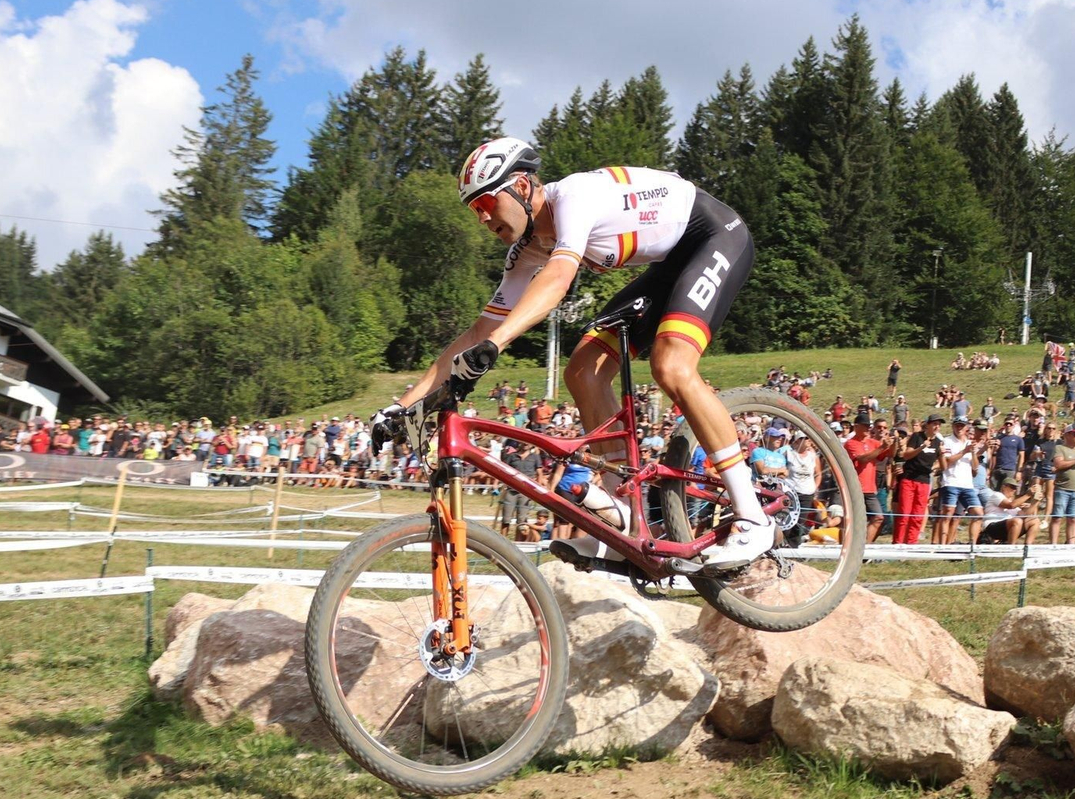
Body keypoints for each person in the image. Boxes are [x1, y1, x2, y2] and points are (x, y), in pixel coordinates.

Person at [381, 137, 768, 571]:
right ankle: (629, 516)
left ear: (523, 187)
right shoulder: (526, 250)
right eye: (475, 209)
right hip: (670, 265)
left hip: (715, 236)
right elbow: (479, 328)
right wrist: (401, 405)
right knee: (582, 371)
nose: (484, 217)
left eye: (487, 200)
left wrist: (499, 343)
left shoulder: (575, 198)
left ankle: (752, 515)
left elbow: (559, 278)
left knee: (671, 364)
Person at [842, 412, 894, 543]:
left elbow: (890, 454)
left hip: (870, 489)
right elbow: (863, 459)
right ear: (856, 426)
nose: (867, 429)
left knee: (878, 518)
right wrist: (882, 446)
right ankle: (848, 547)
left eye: (868, 426)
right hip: (855, 488)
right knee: (854, 521)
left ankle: (863, 548)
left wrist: (894, 443)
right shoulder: (850, 443)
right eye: (864, 426)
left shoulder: (873, 442)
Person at [892, 414, 943, 544]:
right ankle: (898, 543)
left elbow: (944, 466)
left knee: (918, 515)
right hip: (909, 478)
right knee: (904, 513)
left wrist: (939, 459)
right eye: (934, 424)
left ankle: (911, 543)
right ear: (928, 424)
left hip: (924, 480)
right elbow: (906, 455)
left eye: (939, 424)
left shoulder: (938, 442)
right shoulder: (917, 437)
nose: (937, 426)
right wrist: (921, 447)